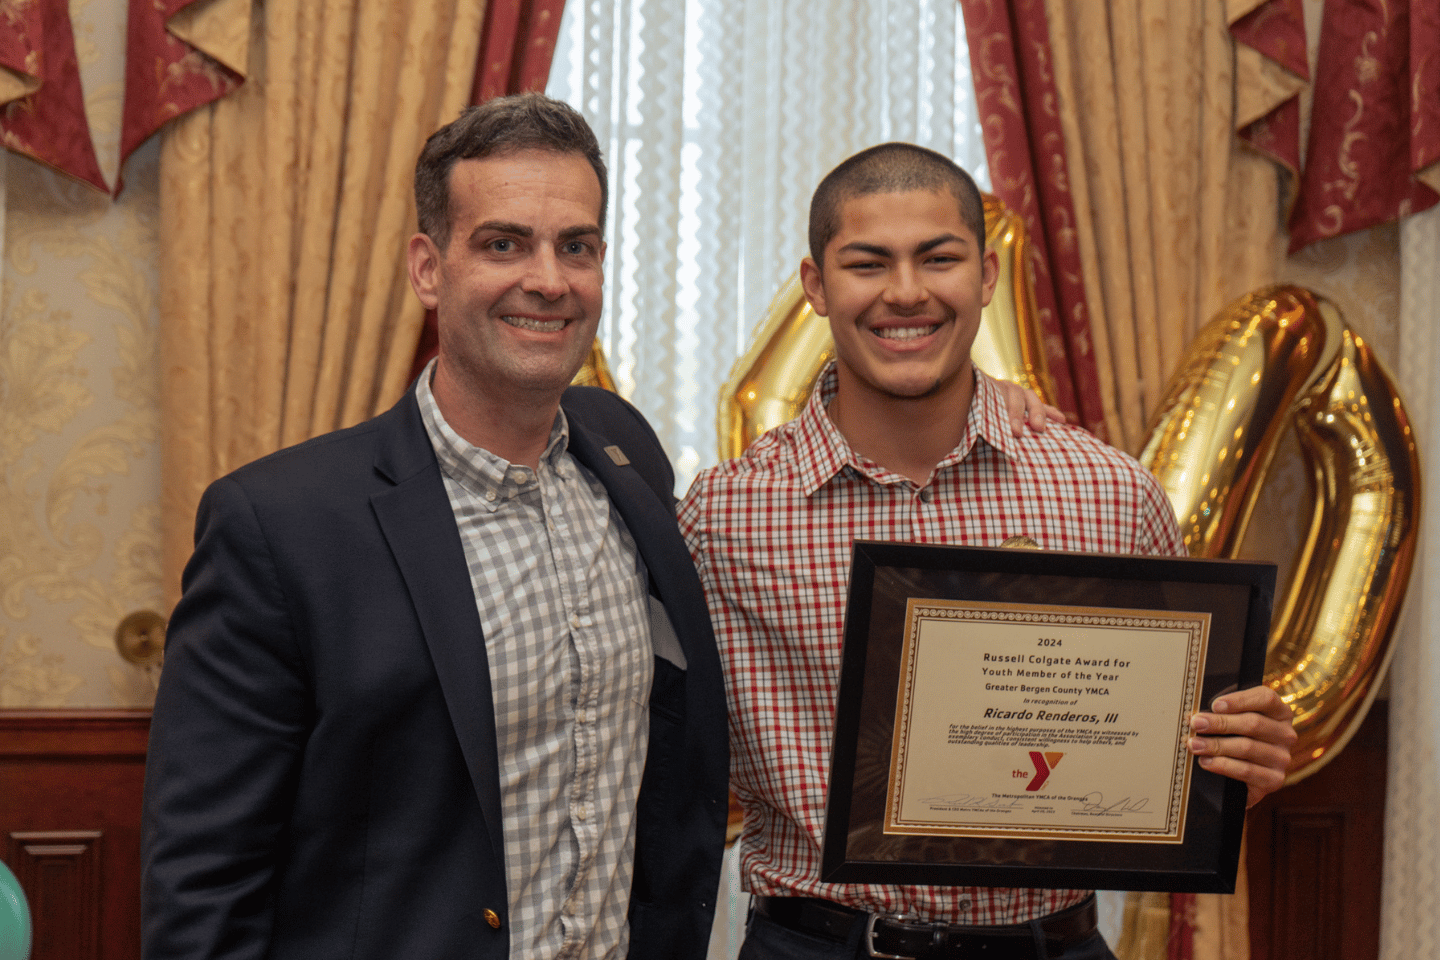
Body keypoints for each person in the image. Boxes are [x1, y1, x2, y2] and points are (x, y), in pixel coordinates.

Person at [140, 94, 731, 960]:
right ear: (428, 268)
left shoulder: (625, 450)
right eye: (503, 243)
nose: (548, 279)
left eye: (577, 246)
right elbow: (202, 881)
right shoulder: (281, 523)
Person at [678, 143, 1298, 960]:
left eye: (939, 258)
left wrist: (1231, 764)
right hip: (818, 944)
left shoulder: (1111, 497)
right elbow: (662, 757)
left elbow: (1162, 760)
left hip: (1053, 945)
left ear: (987, 276)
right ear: (817, 288)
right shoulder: (724, 519)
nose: (907, 292)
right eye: (868, 263)